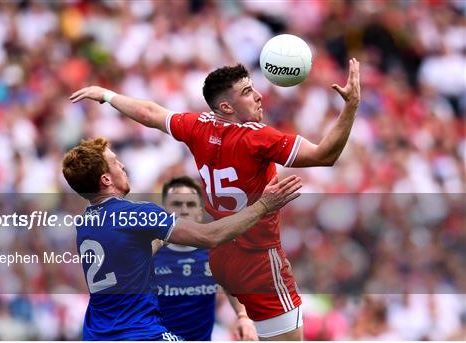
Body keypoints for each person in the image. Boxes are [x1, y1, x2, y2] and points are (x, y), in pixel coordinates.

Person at [69, 58, 360, 340]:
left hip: (220, 259)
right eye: (247, 92)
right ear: (226, 106)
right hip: (257, 256)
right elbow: (325, 154)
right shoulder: (258, 137)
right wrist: (351, 106)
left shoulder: (199, 126)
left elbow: (150, 113)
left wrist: (107, 95)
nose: (259, 96)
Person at [61, 138, 302, 340]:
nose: (122, 165)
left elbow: (134, 253)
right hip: (139, 333)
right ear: (105, 179)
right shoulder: (135, 214)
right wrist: (263, 205)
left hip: (96, 333)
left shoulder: (86, 223)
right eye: (115, 162)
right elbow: (211, 236)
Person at [153, 176, 258, 341]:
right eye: (177, 204)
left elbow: (232, 288)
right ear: (164, 210)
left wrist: (243, 317)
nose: (184, 210)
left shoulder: (214, 252)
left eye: (191, 204)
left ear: (200, 212)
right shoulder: (150, 253)